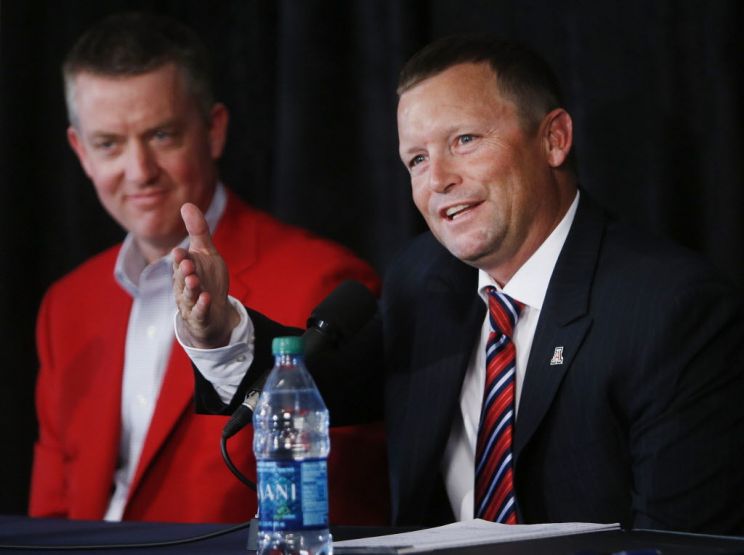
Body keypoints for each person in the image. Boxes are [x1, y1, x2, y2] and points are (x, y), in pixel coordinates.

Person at [173, 35, 744, 532]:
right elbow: (324, 385)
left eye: (465, 140)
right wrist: (219, 331)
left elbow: (679, 541)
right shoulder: (425, 280)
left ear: (554, 139)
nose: (439, 180)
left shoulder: (673, 310)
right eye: (417, 160)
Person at [29, 12, 389, 525]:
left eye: (162, 135)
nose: (139, 171)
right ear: (81, 151)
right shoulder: (66, 305)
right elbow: (48, 519)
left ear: (214, 130)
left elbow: (340, 513)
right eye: (109, 144)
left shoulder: (323, 282)